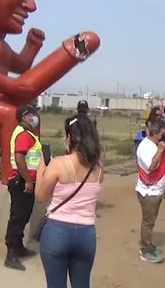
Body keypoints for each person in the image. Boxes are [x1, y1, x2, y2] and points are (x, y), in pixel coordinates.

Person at [35, 115, 103, 288]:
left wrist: (40, 170)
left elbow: (41, 197)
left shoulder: (58, 164)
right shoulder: (99, 166)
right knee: (82, 284)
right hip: (86, 234)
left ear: (70, 138)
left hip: (56, 232)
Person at [4, 104, 42, 270]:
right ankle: (11, 254)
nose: (35, 117)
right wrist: (27, 181)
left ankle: (18, 248)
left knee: (23, 216)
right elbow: (20, 159)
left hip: (23, 181)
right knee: (18, 218)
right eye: (33, 114)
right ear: (25, 117)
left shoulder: (25, 133)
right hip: (21, 182)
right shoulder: (24, 135)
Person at [135, 120, 165, 263]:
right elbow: (150, 166)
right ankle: (145, 250)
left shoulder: (154, 144)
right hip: (149, 192)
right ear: (156, 133)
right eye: (164, 133)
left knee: (151, 220)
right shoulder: (146, 147)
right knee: (148, 222)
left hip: (155, 190)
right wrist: (160, 150)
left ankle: (148, 245)